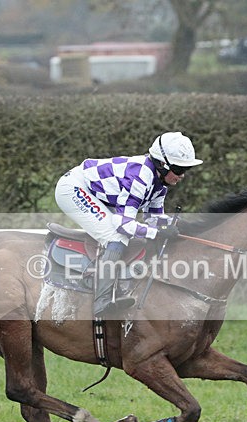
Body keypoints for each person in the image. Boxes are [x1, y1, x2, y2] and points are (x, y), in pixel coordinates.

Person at [55, 131, 203, 316]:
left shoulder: (159, 183)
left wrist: (174, 227)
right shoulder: (139, 178)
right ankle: (102, 300)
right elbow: (123, 224)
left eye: (186, 170)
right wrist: (156, 233)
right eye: (179, 170)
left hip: (96, 193)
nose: (182, 176)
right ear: (163, 165)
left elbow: (153, 218)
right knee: (116, 236)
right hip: (73, 189)